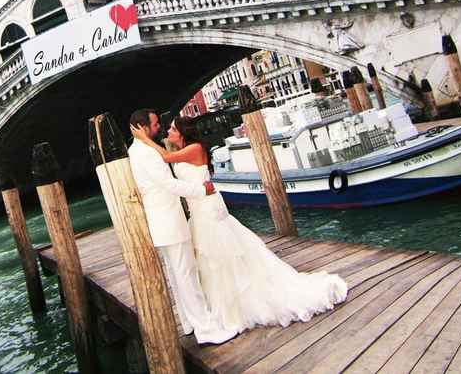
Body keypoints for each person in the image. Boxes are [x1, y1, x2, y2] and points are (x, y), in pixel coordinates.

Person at [131, 116, 348, 334]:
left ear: (183, 132)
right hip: (198, 210)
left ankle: (228, 310)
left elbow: (166, 157)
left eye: (172, 128)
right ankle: (216, 310)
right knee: (210, 260)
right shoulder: (183, 150)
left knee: (220, 256)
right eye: (165, 127)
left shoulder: (194, 149)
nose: (167, 131)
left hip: (207, 207)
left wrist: (144, 139)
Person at [128, 109, 238, 345]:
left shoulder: (135, 151)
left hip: (161, 222)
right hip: (170, 221)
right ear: (142, 126)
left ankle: (188, 322)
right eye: (155, 124)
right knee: (186, 274)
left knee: (176, 274)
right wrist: (202, 190)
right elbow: (168, 184)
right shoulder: (147, 152)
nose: (160, 127)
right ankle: (206, 330)